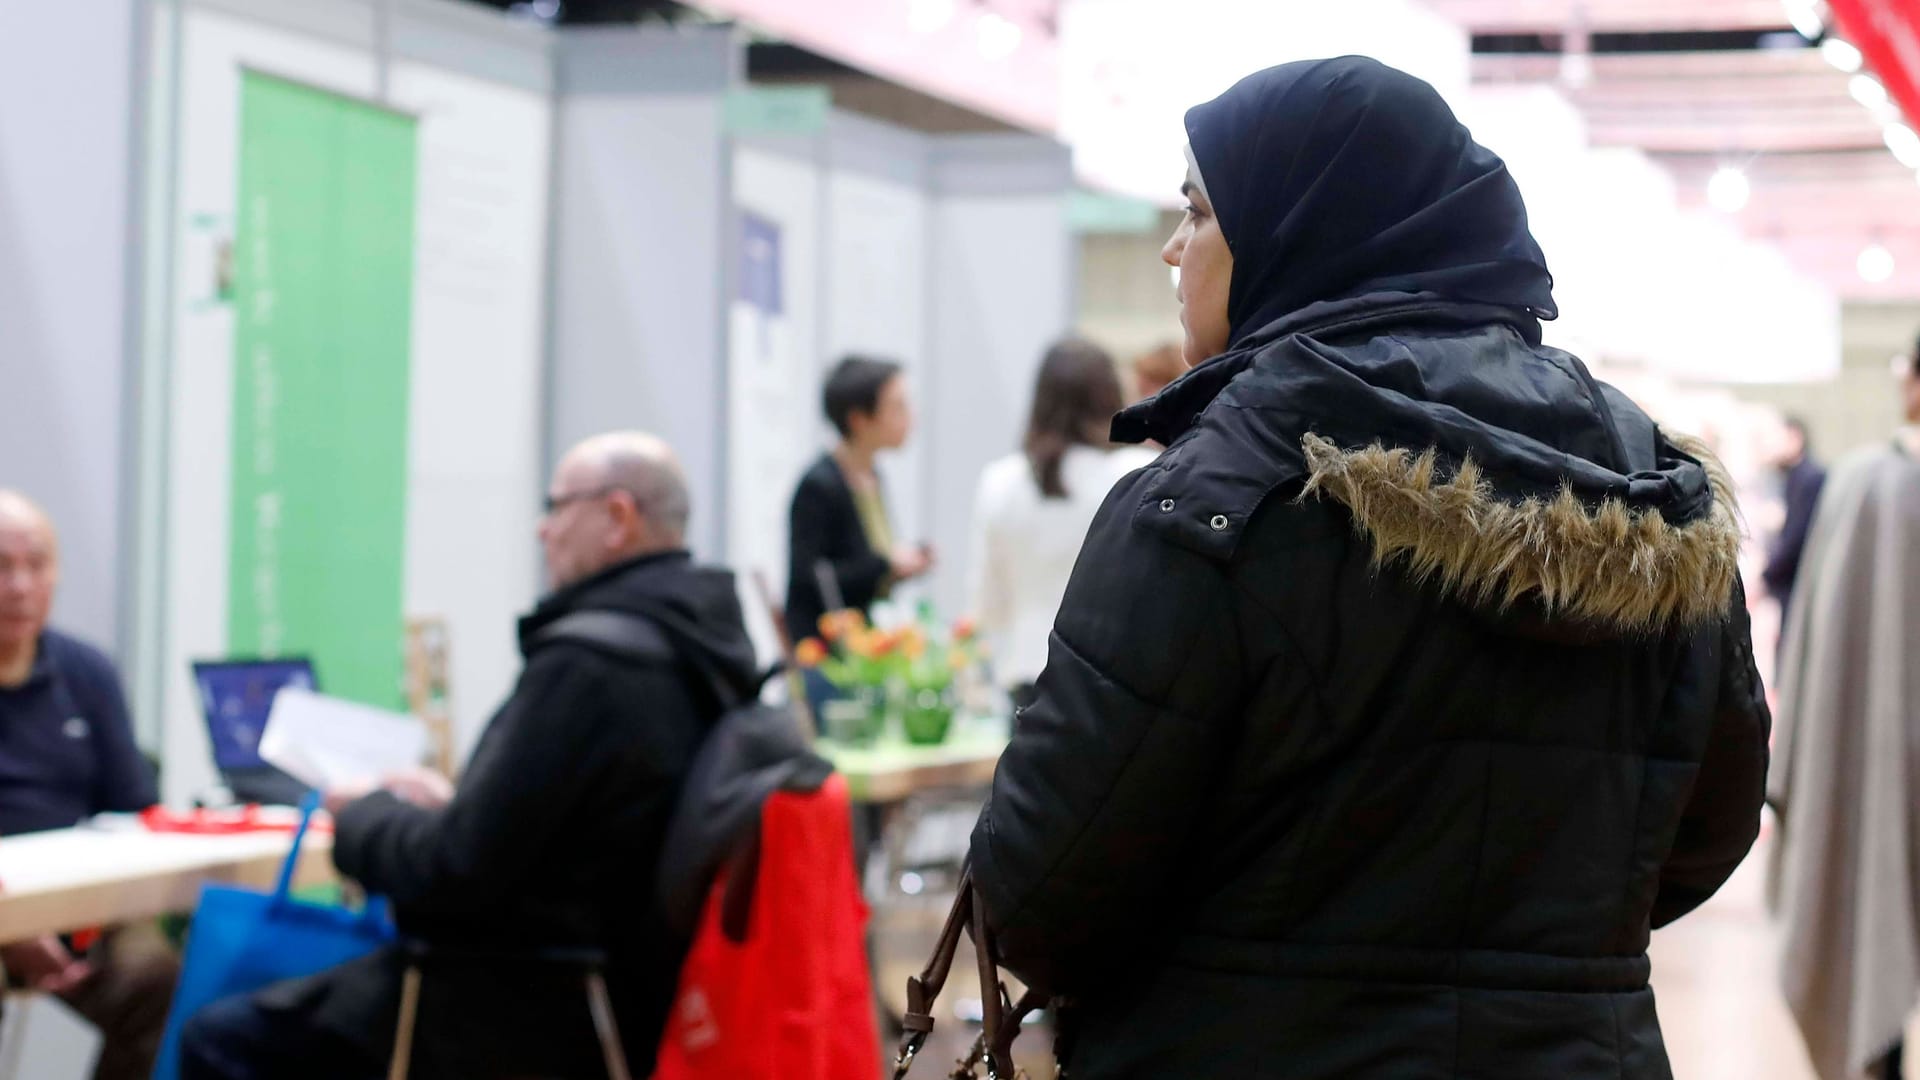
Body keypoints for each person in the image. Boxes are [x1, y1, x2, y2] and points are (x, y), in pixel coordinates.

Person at [966, 57, 1768, 1079]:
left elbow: (1040, 894)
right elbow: (1707, 827)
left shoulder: (1218, 492)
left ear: (1297, 227)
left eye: (1199, 212)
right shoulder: (1651, 487)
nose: (1172, 250)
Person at [179, 433, 760, 1080]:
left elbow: (453, 871)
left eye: (556, 506)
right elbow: (569, 827)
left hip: (516, 999)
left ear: (617, 517)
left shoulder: (589, 666)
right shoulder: (701, 654)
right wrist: (454, 805)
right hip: (627, 991)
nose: (543, 530)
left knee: (221, 1040)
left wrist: (363, 813)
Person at [1768, 333, 1920, 1080]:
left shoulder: (1865, 487)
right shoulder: (1866, 485)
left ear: (1912, 386)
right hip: (1889, 759)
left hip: (1882, 768)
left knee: (1870, 923)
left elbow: (1824, 662)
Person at [0, 490, 175, 1080]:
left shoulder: (87, 671)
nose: (19, 586)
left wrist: (85, 913)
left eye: (36, 564)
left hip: (80, 910)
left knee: (158, 980)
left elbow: (134, 810)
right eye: (1, 566)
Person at [967, 339, 1155, 707]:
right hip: (1114, 678)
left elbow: (988, 603)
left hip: (1028, 675)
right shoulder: (1137, 473)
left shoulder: (1000, 480)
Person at [784, 355, 933, 646]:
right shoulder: (819, 485)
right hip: (827, 651)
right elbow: (811, 581)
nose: (910, 418)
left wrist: (902, 563)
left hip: (867, 644)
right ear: (859, 420)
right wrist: (886, 565)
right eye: (897, 407)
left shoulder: (873, 476)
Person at [1761, 414, 1827, 626]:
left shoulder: (1808, 478)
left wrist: (1767, 576)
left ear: (1795, 437)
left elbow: (1796, 538)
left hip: (1799, 586)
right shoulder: (1796, 477)